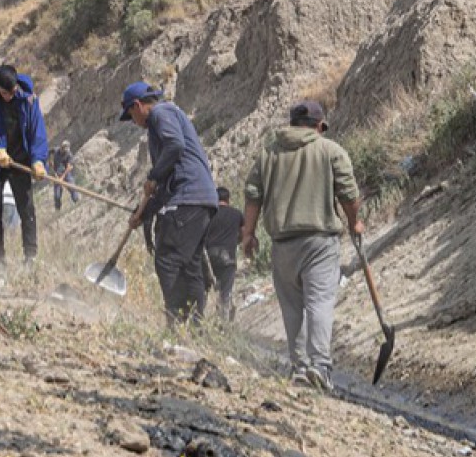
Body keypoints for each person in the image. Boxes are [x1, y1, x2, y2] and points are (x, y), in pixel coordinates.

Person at [241, 98, 360, 391]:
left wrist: (248, 233)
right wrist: (355, 221)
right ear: (320, 126)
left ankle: (299, 368)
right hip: (319, 242)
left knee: (292, 307)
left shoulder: (269, 153)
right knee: (319, 302)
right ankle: (320, 366)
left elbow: (253, 194)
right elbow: (348, 192)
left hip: (282, 244)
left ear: (292, 124)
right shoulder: (330, 150)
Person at [118, 81, 217, 325]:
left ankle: (177, 322)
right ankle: (194, 328)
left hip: (188, 197)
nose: (133, 121)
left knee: (168, 259)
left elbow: (175, 146)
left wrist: (153, 176)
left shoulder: (161, 113)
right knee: (190, 264)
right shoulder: (167, 118)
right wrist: (144, 213)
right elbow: (166, 184)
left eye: (131, 114)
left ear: (138, 105)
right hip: (200, 199)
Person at [0, 64, 48, 267]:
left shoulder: (28, 99)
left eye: (12, 92)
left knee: (26, 208)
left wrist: (38, 160)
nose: (9, 96)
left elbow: (37, 133)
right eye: (5, 93)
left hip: (20, 160)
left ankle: (30, 258)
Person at [204, 184, 240, 322]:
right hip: (228, 258)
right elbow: (243, 233)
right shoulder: (236, 214)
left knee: (204, 290)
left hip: (209, 257)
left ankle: (199, 321)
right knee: (226, 294)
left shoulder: (208, 214)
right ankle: (224, 326)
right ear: (228, 199)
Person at [49, 140, 74, 211]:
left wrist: (62, 177)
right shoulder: (55, 150)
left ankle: (76, 201)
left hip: (66, 173)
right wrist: (50, 160)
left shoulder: (69, 155)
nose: (65, 152)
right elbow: (48, 152)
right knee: (57, 195)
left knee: (73, 189)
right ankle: (58, 209)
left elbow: (69, 167)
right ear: (61, 148)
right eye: (64, 150)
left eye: (66, 150)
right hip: (56, 174)